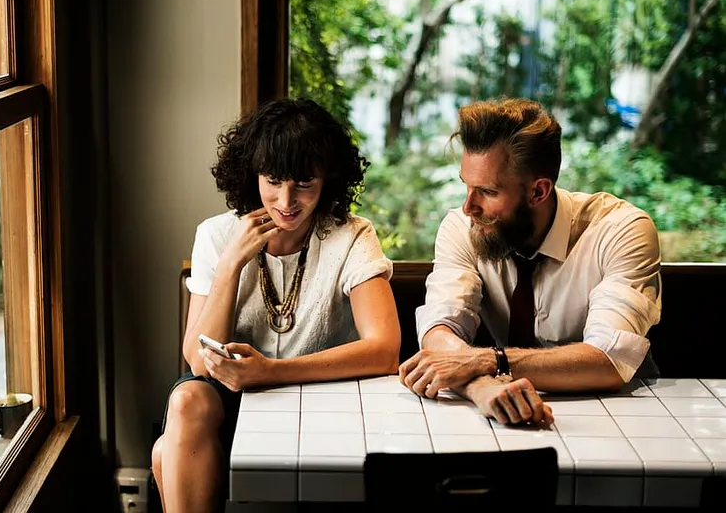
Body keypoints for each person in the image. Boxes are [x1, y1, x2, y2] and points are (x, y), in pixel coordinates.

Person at [151, 98, 401, 513]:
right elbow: (199, 361)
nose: (286, 201)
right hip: (232, 403)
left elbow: (385, 348)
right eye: (274, 181)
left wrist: (271, 372)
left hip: (325, 397)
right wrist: (231, 263)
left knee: (164, 454)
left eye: (304, 184)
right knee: (187, 399)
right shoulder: (216, 235)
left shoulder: (351, 235)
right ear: (254, 176)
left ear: (328, 180)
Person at [400, 97, 661, 427]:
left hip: (627, 417)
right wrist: (481, 387)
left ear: (538, 192)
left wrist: (489, 362)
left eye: (487, 191)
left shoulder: (621, 230)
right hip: (504, 416)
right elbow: (440, 330)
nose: (468, 207)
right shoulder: (462, 227)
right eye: (466, 186)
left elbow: (609, 360)